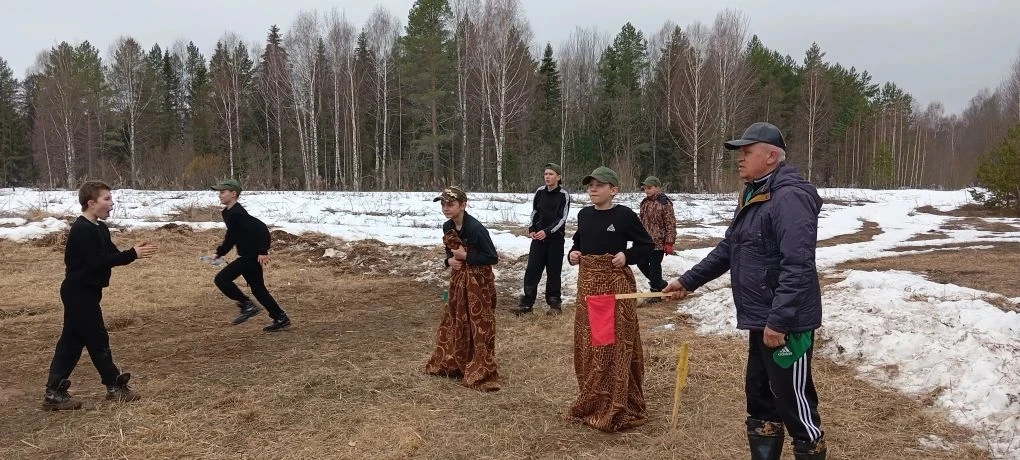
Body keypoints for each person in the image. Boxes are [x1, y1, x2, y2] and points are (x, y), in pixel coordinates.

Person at [663, 122, 827, 460]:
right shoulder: (755, 193)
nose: (740, 159)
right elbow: (730, 248)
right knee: (760, 398)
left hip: (786, 325)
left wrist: (779, 321)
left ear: (771, 156)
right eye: (740, 153)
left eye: (747, 152)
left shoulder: (790, 196)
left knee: (794, 403)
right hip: (760, 318)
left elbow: (798, 264)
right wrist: (688, 281)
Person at [42, 181, 158, 410]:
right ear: (91, 203)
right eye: (107, 199)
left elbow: (112, 256)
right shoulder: (82, 229)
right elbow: (96, 262)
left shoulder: (99, 228)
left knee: (72, 342)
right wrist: (133, 253)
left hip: (88, 292)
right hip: (78, 292)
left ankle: (54, 392)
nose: (111, 203)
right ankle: (114, 385)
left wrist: (134, 252)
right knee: (96, 338)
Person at [565, 166, 654, 432]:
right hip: (588, 288)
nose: (592, 189)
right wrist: (574, 253)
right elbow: (578, 242)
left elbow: (646, 246)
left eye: (599, 185)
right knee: (591, 342)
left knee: (614, 342)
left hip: (615, 287)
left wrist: (627, 256)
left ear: (613, 190)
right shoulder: (583, 215)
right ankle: (593, 397)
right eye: (590, 184)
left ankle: (619, 399)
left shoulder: (624, 215)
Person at [425, 186, 502, 392]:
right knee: (456, 318)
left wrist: (466, 256)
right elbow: (449, 252)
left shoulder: (476, 229)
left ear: (463, 205)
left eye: (450, 204)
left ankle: (481, 367)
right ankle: (457, 361)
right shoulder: (447, 227)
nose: (445, 208)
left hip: (479, 282)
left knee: (479, 323)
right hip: (459, 279)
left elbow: (492, 257)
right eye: (443, 204)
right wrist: (449, 261)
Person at [211, 179, 291, 332]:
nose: (219, 195)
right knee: (258, 289)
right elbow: (232, 236)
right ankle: (280, 317)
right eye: (219, 193)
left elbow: (261, 229)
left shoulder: (237, 213)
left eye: (222, 192)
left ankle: (247, 305)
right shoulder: (228, 212)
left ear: (233, 194)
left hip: (250, 256)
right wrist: (220, 252)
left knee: (221, 279)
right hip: (248, 255)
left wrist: (263, 251)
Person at [512, 162, 570, 316]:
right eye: (545, 174)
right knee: (532, 271)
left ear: (558, 177)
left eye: (551, 174)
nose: (547, 177)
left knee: (553, 273)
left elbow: (562, 219)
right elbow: (534, 213)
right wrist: (532, 229)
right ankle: (526, 305)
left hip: (555, 240)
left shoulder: (563, 195)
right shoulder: (539, 192)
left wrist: (547, 232)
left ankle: (554, 305)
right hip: (538, 240)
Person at [636, 176, 676, 302]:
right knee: (641, 263)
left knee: (654, 266)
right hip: (644, 241)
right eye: (645, 188)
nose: (646, 190)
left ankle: (656, 293)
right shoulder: (645, 202)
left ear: (657, 188)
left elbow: (670, 223)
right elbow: (641, 221)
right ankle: (661, 284)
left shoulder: (664, 203)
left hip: (658, 242)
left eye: (649, 188)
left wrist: (669, 242)